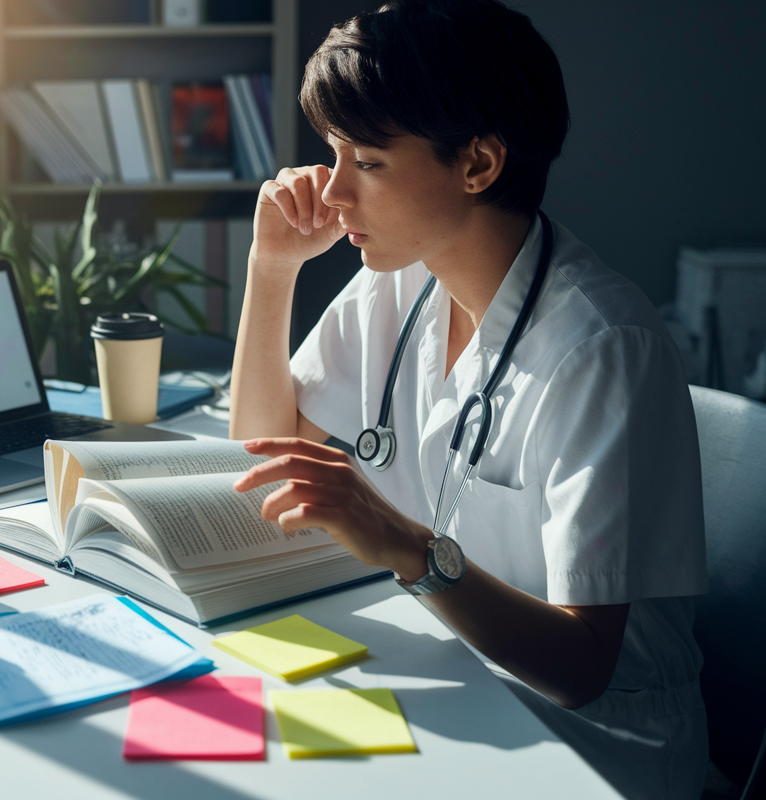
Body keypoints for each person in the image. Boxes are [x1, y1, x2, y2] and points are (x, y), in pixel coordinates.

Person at [228, 1, 709, 798]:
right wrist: (272, 269)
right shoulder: (397, 281)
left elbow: (582, 667)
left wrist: (405, 545)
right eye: (333, 154)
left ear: (478, 164)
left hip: (592, 746)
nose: (335, 191)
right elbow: (261, 455)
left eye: (369, 163)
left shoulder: (601, 350)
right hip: (449, 676)